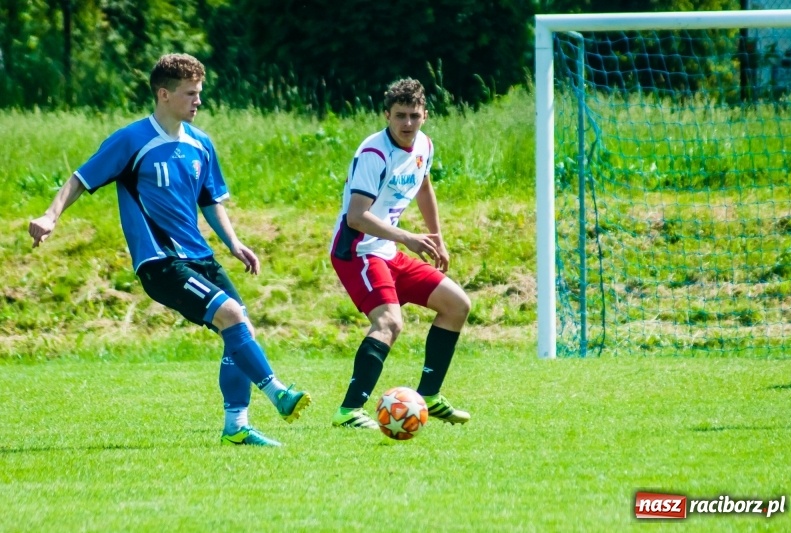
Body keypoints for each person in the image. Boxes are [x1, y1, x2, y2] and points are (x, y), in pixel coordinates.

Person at [28, 53, 310, 447]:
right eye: (190, 93)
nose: (198, 101)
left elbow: (211, 201)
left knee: (239, 325)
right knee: (230, 314)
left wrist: (234, 243)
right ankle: (278, 391)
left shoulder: (201, 143)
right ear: (164, 94)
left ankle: (237, 426)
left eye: (199, 93)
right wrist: (50, 216)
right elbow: (80, 178)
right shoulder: (132, 140)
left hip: (200, 257)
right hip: (160, 262)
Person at [329, 78, 471, 429]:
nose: (407, 124)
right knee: (389, 323)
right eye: (400, 116)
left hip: (389, 249)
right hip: (358, 250)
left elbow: (424, 185)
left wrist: (437, 237)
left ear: (425, 115)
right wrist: (409, 237)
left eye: (414, 116)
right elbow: (357, 216)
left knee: (457, 305)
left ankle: (431, 396)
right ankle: (349, 412)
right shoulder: (374, 154)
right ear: (386, 115)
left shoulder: (424, 144)